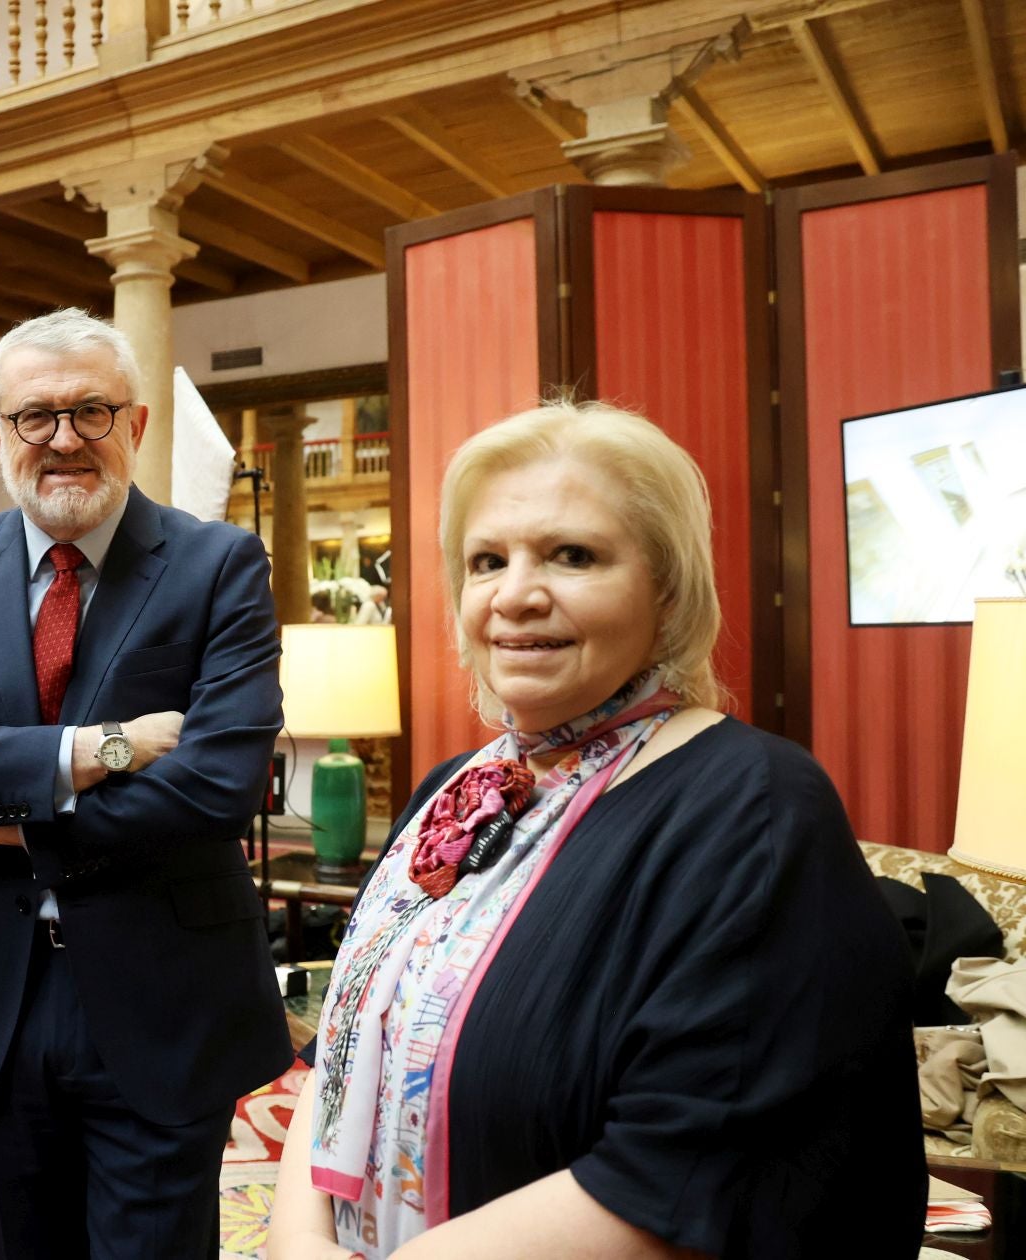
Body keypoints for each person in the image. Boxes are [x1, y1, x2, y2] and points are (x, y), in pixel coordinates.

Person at [266, 400, 922, 1260]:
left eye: (573, 555)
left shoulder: (754, 806)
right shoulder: (456, 791)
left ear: (669, 588)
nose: (516, 594)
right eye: (487, 560)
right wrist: (300, 1242)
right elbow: (345, 1047)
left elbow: (687, 1174)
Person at [0, 309, 293, 1259]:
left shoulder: (219, 566)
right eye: (35, 417)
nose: (63, 440)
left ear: (135, 426)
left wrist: (0, 804)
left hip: (160, 994)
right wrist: (99, 752)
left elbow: (218, 786)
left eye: (91, 411)